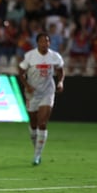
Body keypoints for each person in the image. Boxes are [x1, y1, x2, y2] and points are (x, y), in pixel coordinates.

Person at [18, 32, 65, 166]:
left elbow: (61, 70)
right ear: (37, 43)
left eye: (47, 41)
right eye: (43, 41)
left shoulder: (54, 57)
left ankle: (37, 155)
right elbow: (21, 72)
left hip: (47, 92)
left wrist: (60, 82)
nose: (45, 44)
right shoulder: (30, 56)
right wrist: (27, 85)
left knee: (42, 123)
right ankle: (36, 148)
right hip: (32, 93)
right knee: (33, 124)